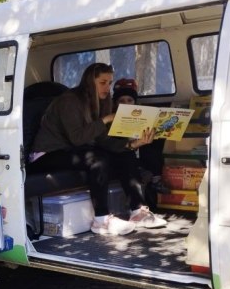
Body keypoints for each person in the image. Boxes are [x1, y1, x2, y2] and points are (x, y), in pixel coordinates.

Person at [28, 63, 167, 236]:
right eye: (103, 82)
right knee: (98, 158)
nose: (107, 87)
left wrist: (133, 144)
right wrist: (107, 119)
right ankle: (101, 220)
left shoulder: (102, 102)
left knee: (124, 155)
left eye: (109, 83)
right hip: (47, 154)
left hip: (73, 150)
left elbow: (103, 140)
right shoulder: (69, 101)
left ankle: (138, 211)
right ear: (89, 81)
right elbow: (77, 138)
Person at [112, 78, 170, 210]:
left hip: (142, 153)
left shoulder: (142, 116)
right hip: (125, 153)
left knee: (155, 143)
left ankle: (156, 178)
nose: (126, 104)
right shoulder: (113, 118)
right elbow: (118, 145)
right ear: (115, 103)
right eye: (121, 101)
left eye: (130, 100)